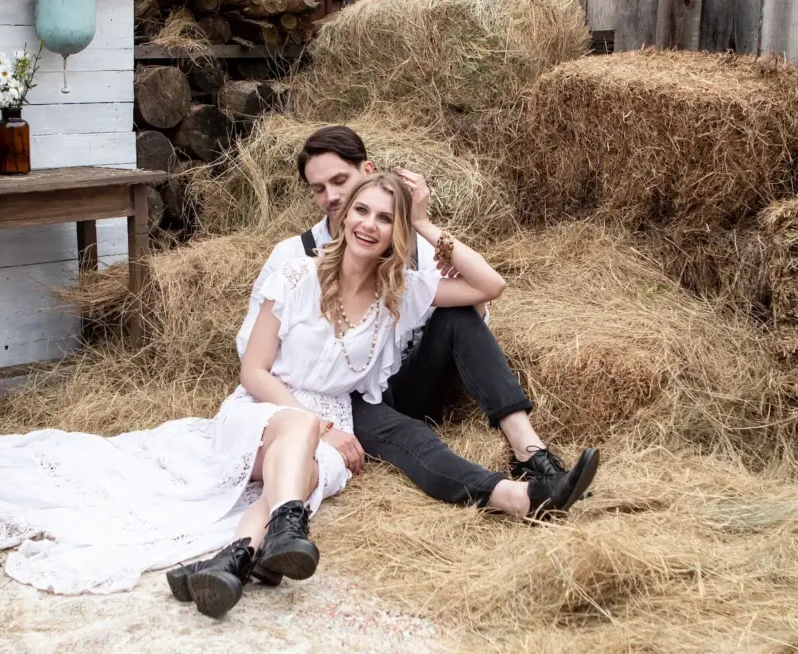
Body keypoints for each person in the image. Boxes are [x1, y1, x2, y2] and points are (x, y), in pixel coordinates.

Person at [236, 126, 600, 516]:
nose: (333, 197)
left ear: (367, 171)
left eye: (340, 181)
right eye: (319, 189)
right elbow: (253, 355)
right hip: (338, 398)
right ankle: (519, 498)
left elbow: (485, 294)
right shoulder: (294, 260)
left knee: (456, 312)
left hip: (401, 380)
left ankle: (531, 454)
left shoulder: (406, 254)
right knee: (412, 437)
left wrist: (422, 224)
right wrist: (317, 414)